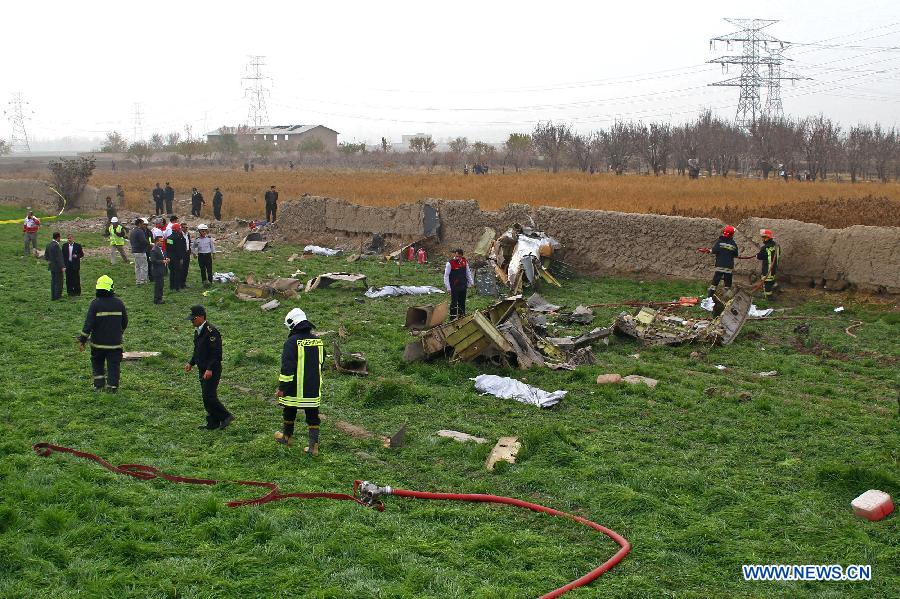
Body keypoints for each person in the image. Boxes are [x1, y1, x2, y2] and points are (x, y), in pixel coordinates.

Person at [275, 308, 324, 455]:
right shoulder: (318, 341)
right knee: (313, 416)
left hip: (294, 388)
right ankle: (313, 446)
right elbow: (322, 363)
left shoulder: (291, 342)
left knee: (289, 410)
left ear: (292, 324)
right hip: (313, 387)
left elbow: (287, 368)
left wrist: (282, 388)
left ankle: (287, 437)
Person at [185, 305, 233, 430]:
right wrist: (191, 363)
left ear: (201, 317)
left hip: (212, 370)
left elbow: (216, 354)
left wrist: (210, 369)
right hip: (202, 368)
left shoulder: (212, 332)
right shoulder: (198, 331)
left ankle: (226, 416)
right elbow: (197, 351)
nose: (192, 321)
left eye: (193, 319)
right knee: (206, 398)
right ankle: (212, 423)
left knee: (209, 396)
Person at [78, 275, 128, 392]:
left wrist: (82, 340)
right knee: (113, 366)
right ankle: (112, 387)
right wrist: (119, 332)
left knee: (97, 363)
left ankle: (99, 385)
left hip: (98, 344)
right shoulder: (119, 303)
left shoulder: (95, 304)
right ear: (111, 288)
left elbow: (88, 324)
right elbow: (125, 322)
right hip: (115, 344)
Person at [702, 225, 739, 297]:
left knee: (716, 280)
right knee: (728, 282)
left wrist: (708, 250)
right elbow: (736, 254)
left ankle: (710, 295)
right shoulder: (734, 244)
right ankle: (726, 296)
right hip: (729, 267)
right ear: (732, 235)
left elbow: (715, 250)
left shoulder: (720, 242)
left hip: (720, 265)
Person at [444, 249, 474, 319]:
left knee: (462, 302)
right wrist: (448, 287)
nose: (457, 258)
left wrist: (471, 282)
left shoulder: (464, 262)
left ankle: (462, 316)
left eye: (459, 257)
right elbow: (446, 276)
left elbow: (468, 272)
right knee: (454, 303)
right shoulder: (450, 263)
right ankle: (452, 318)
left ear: (461, 256)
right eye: (456, 256)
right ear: (455, 255)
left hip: (463, 285)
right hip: (454, 286)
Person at [756, 229, 781, 300]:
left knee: (767, 282)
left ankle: (768, 296)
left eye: (763, 237)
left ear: (767, 238)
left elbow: (760, 257)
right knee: (771, 280)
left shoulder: (764, 248)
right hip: (774, 268)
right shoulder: (777, 246)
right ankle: (774, 288)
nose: (762, 239)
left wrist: (757, 255)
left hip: (767, 269)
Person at [149, 235, 169, 304]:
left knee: (161, 285)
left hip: (161, 270)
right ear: (156, 241)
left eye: (163, 241)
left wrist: (166, 259)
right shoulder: (154, 250)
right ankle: (157, 299)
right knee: (158, 285)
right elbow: (153, 260)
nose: (162, 242)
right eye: (161, 241)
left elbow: (163, 256)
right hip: (157, 270)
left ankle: (160, 298)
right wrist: (162, 261)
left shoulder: (161, 249)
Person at [45, 232, 65, 300]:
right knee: (59, 282)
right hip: (57, 267)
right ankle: (57, 296)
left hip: (51, 267)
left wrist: (50, 261)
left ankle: (53, 296)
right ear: (58, 237)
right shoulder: (56, 245)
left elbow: (46, 256)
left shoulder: (48, 245)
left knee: (53, 282)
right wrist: (62, 266)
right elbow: (59, 257)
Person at [129, 218, 150, 285]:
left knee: (137, 267)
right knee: (143, 266)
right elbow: (143, 241)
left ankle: (138, 280)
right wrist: (149, 244)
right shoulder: (140, 231)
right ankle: (143, 281)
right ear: (140, 224)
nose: (144, 225)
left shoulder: (133, 231)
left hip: (134, 251)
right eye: (143, 224)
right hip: (140, 251)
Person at [166, 223, 185, 291]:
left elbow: (169, 248)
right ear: (177, 230)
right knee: (177, 272)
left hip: (170, 257)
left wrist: (168, 257)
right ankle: (177, 287)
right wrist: (181, 258)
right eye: (179, 228)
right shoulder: (178, 238)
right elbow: (179, 249)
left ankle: (172, 286)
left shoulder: (169, 238)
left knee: (172, 272)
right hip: (177, 258)